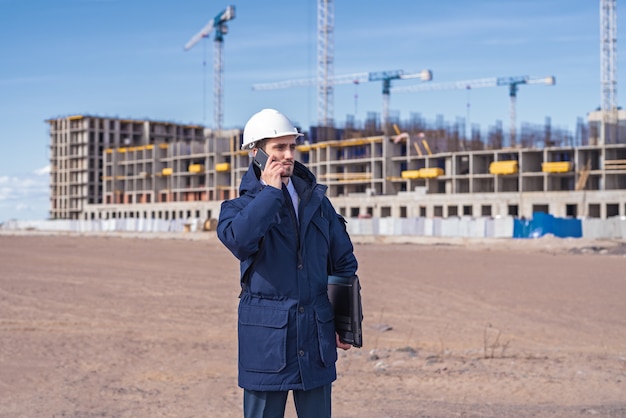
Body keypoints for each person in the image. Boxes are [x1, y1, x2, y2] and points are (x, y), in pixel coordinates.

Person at [217, 108, 359, 418]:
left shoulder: (318, 203)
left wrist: (345, 322)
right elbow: (240, 242)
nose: (287, 155)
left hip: (316, 334)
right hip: (267, 341)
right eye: (278, 148)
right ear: (256, 153)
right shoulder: (237, 209)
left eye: (291, 147)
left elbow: (343, 262)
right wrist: (270, 193)